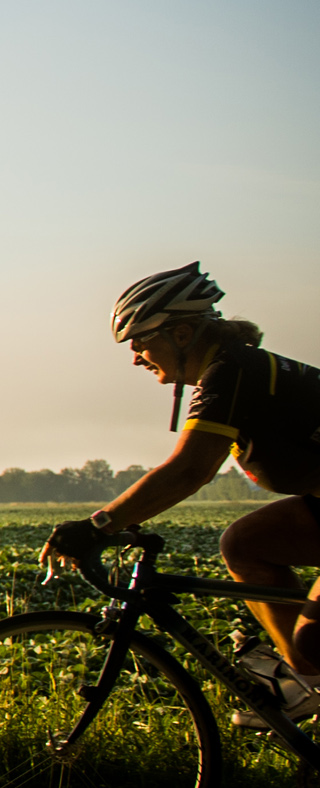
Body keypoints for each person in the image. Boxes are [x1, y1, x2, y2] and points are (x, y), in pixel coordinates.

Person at [40, 263, 320, 728]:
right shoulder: (235, 370)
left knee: (316, 645)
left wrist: (98, 525)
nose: (135, 357)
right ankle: (305, 686)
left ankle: (306, 675)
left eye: (139, 342)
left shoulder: (232, 372)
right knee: (245, 545)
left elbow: (190, 470)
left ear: (184, 332)